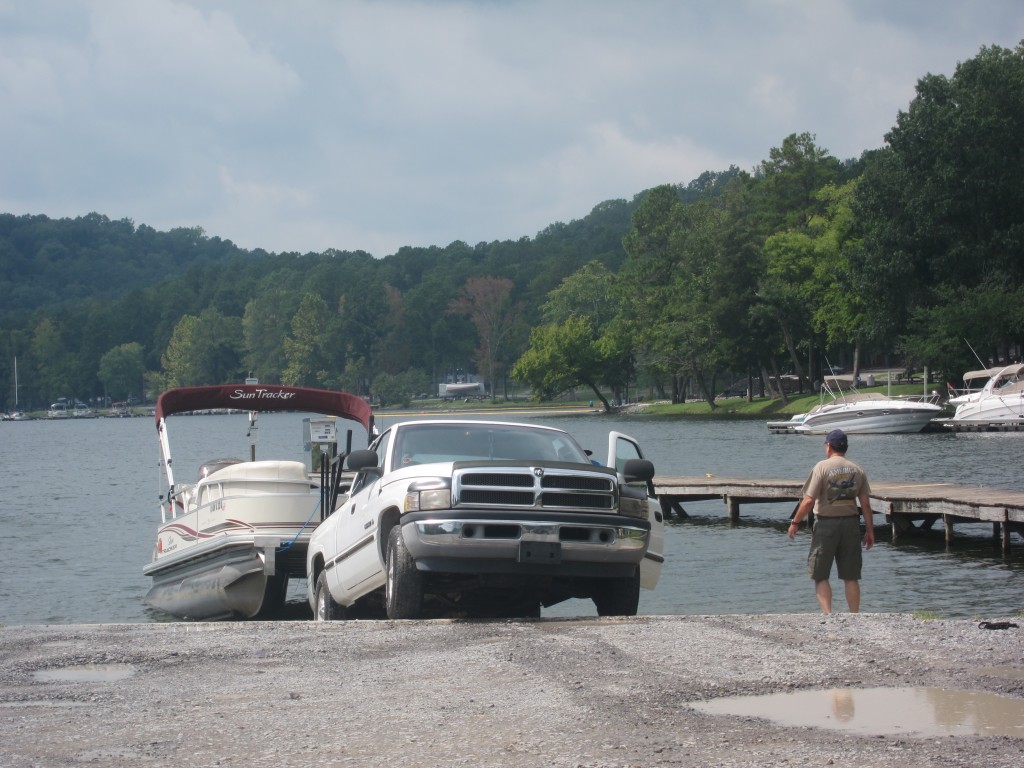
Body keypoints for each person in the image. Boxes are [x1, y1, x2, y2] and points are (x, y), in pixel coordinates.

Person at [788, 428, 874, 613]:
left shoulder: (822, 467)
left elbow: (809, 500)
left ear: (829, 446)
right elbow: (865, 504)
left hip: (826, 525)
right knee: (851, 576)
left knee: (820, 574)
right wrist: (870, 531)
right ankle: (854, 616)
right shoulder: (857, 469)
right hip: (851, 524)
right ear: (845, 447)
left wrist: (795, 522)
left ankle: (829, 617)